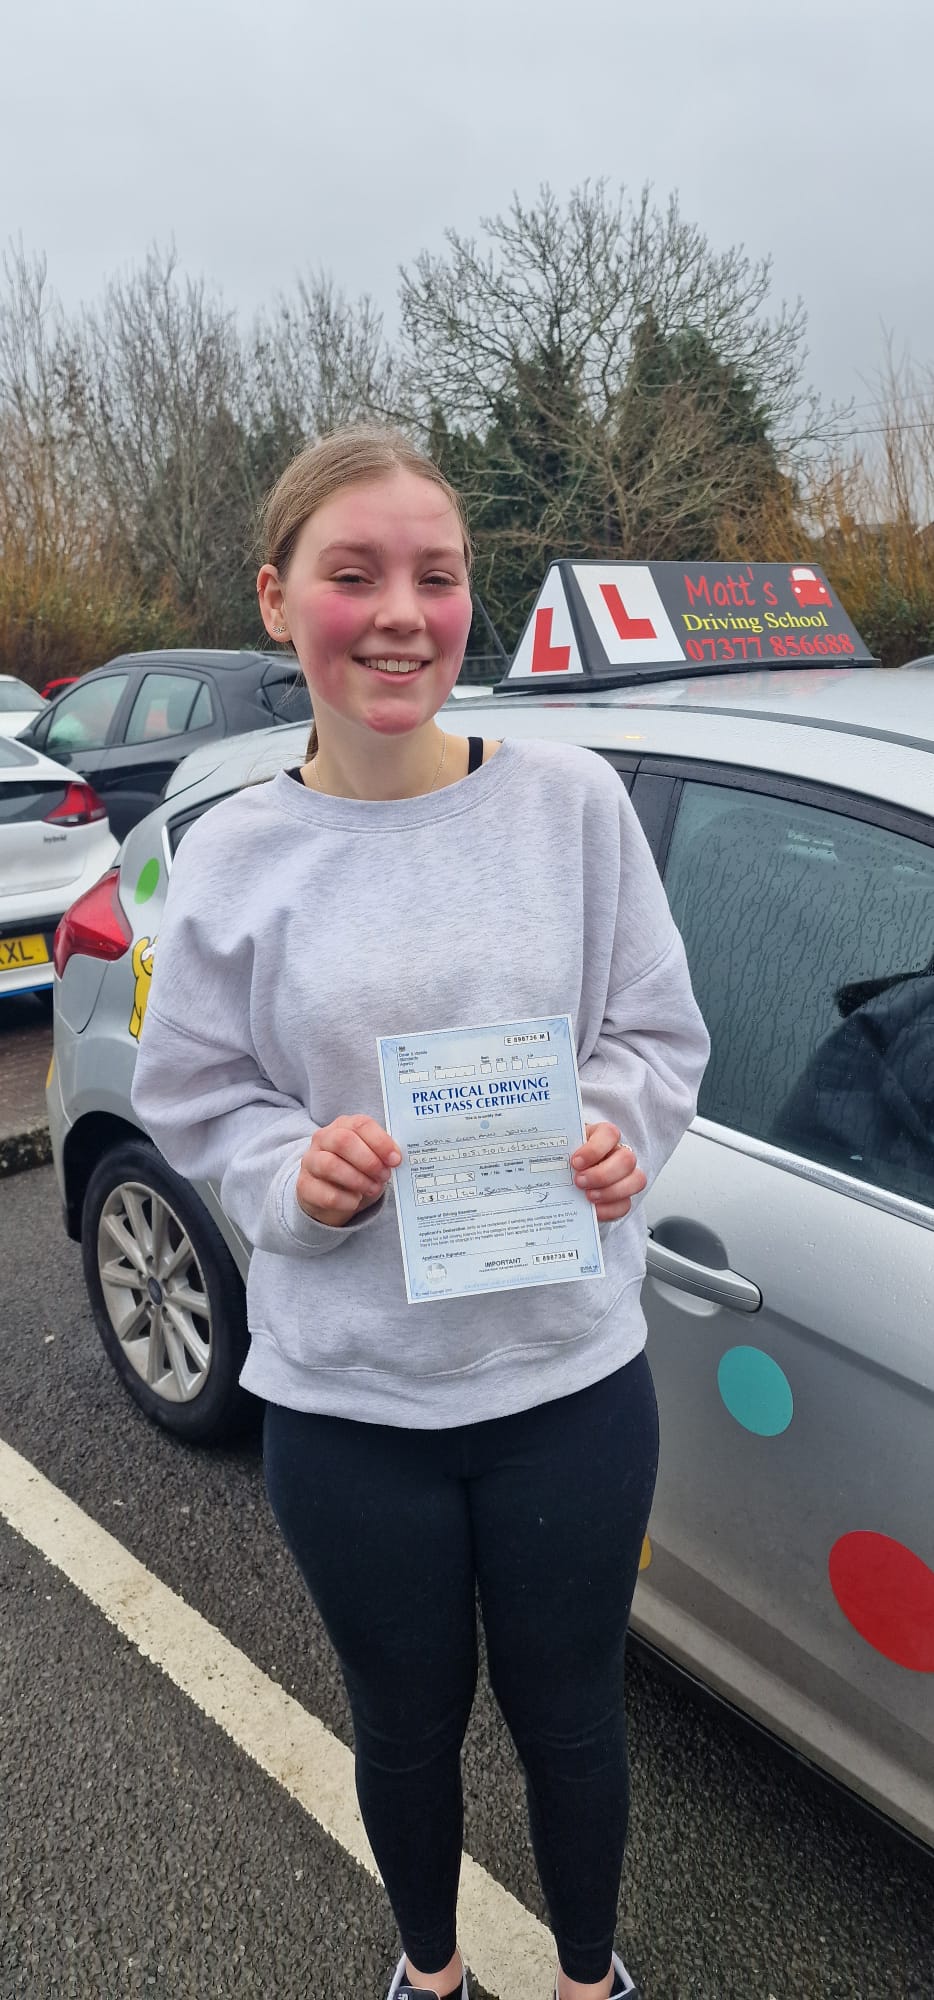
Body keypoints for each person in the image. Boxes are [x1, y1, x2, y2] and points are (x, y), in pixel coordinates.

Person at [130, 424, 710, 2000]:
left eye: (436, 577)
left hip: (565, 1385)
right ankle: (431, 1975)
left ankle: (585, 1980)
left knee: (572, 1717)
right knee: (399, 1725)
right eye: (354, 573)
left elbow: (654, 1033)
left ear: (469, 601)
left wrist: (617, 1130)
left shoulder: (571, 807)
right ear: (276, 599)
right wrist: (287, 1176)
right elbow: (199, 1093)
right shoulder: (234, 856)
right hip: (351, 1407)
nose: (400, 613)